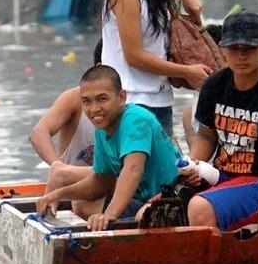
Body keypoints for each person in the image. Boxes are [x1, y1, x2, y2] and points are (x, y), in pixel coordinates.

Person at [182, 11, 258, 231]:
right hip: (221, 176)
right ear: (222, 49)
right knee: (156, 207)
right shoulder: (214, 85)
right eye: (234, 49)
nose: (241, 56)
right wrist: (192, 166)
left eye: (249, 49)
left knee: (199, 208)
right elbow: (206, 136)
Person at [36, 65, 181, 231]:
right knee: (81, 204)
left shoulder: (135, 119)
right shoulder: (101, 129)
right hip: (141, 199)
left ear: (121, 97)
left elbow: (133, 169)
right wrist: (58, 195)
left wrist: (109, 215)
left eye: (102, 99)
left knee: (143, 216)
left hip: (171, 199)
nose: (94, 109)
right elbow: (101, 180)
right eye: (86, 102)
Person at [102, 0, 211, 137]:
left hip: (159, 97)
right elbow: (134, 56)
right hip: (130, 99)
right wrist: (187, 71)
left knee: (165, 170)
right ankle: (63, 173)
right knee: (137, 169)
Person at [29, 39, 102, 218]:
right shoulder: (74, 98)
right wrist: (57, 166)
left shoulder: (132, 106)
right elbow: (38, 133)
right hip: (75, 190)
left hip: (109, 185)